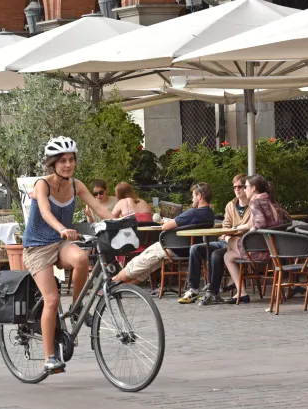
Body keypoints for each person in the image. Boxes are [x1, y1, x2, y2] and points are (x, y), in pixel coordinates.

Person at [22, 137, 114, 373]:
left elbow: (99, 208)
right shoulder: (43, 184)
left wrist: (121, 222)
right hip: (37, 247)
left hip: (59, 243)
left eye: (71, 160)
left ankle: (76, 308)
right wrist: (62, 228)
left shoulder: (76, 185)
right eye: (62, 160)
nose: (68, 165)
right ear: (53, 163)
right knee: (51, 300)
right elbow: (44, 211)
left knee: (82, 258)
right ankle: (49, 357)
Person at [200, 175, 291, 305]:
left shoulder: (255, 202)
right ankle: (241, 292)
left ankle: (232, 288)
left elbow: (260, 224)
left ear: (253, 188)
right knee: (227, 256)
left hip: (259, 251)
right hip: (274, 249)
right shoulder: (271, 201)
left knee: (231, 241)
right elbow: (288, 219)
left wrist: (249, 233)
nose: (244, 190)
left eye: (246, 187)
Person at [113, 183, 215, 287]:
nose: (192, 199)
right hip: (188, 250)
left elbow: (165, 227)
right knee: (144, 272)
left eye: (193, 196)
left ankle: (111, 284)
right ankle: (117, 288)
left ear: (200, 196)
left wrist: (168, 223)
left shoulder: (193, 213)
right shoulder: (210, 214)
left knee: (134, 265)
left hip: (172, 247)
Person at [179, 174, 250, 304]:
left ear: (247, 187)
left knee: (216, 254)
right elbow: (226, 225)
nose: (237, 189)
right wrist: (229, 233)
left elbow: (250, 227)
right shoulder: (231, 205)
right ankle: (193, 289)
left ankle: (213, 292)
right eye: (234, 187)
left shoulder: (253, 206)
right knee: (195, 249)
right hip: (227, 240)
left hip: (242, 243)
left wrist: (232, 232)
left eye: (240, 186)